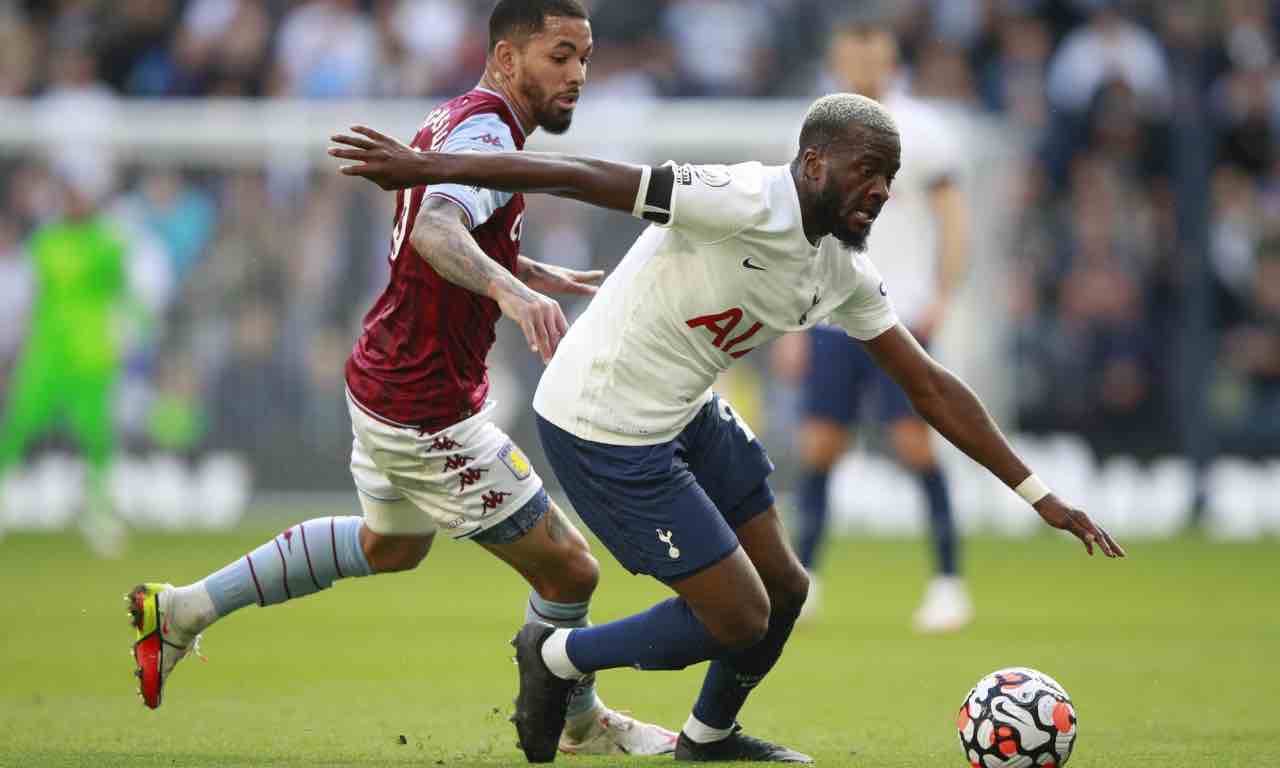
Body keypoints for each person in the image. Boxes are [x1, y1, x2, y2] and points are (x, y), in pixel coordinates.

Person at [329, 93, 1126, 764]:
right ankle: (556, 656)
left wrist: (1037, 493)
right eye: (868, 173)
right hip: (602, 421)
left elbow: (929, 386)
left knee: (785, 587)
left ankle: (706, 740)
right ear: (814, 165)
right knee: (736, 615)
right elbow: (579, 175)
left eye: (891, 180)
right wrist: (428, 169)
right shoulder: (743, 198)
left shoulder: (842, 270)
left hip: (687, 410)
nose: (882, 192)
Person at [128, 1, 676, 759]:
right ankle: (582, 723)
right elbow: (434, 230)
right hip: (427, 409)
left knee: (391, 547)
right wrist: (515, 294)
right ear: (509, 59)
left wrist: (528, 268)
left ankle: (183, 609)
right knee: (571, 569)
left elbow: (448, 232)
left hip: (383, 380)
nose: (577, 74)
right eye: (560, 55)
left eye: (584, 57)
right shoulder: (487, 130)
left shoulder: (458, 114)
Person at [780, 18, 975, 631]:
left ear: (890, 58)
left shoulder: (923, 130)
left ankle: (948, 582)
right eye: (854, 54)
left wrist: (943, 294)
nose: (865, 64)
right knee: (819, 446)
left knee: (914, 444)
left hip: (901, 314)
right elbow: (795, 229)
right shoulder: (818, 131)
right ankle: (804, 580)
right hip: (830, 314)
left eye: (875, 54)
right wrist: (789, 320)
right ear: (839, 58)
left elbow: (952, 219)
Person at [0, 162, 129, 558]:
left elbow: (121, 296)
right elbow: (30, 297)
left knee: (97, 439)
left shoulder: (108, 242)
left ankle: (97, 513)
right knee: (17, 427)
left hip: (91, 355)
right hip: (46, 353)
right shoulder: (45, 241)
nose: (75, 200)